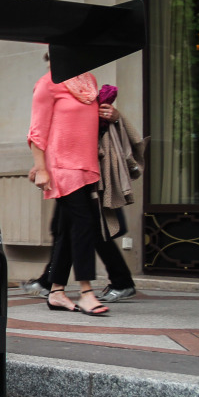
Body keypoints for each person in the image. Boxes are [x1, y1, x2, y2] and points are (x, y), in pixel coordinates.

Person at [22, 91, 146, 302]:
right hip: (66, 173)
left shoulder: (86, 96)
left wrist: (115, 118)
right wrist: (40, 164)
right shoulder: (58, 94)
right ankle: (51, 283)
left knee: (88, 228)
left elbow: (96, 131)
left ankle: (112, 283)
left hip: (86, 175)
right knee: (69, 228)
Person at [26, 58, 109, 316]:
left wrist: (111, 115)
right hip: (63, 167)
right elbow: (37, 132)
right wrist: (41, 169)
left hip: (87, 165)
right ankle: (86, 292)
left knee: (67, 228)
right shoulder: (47, 84)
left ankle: (56, 292)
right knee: (85, 224)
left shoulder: (90, 83)